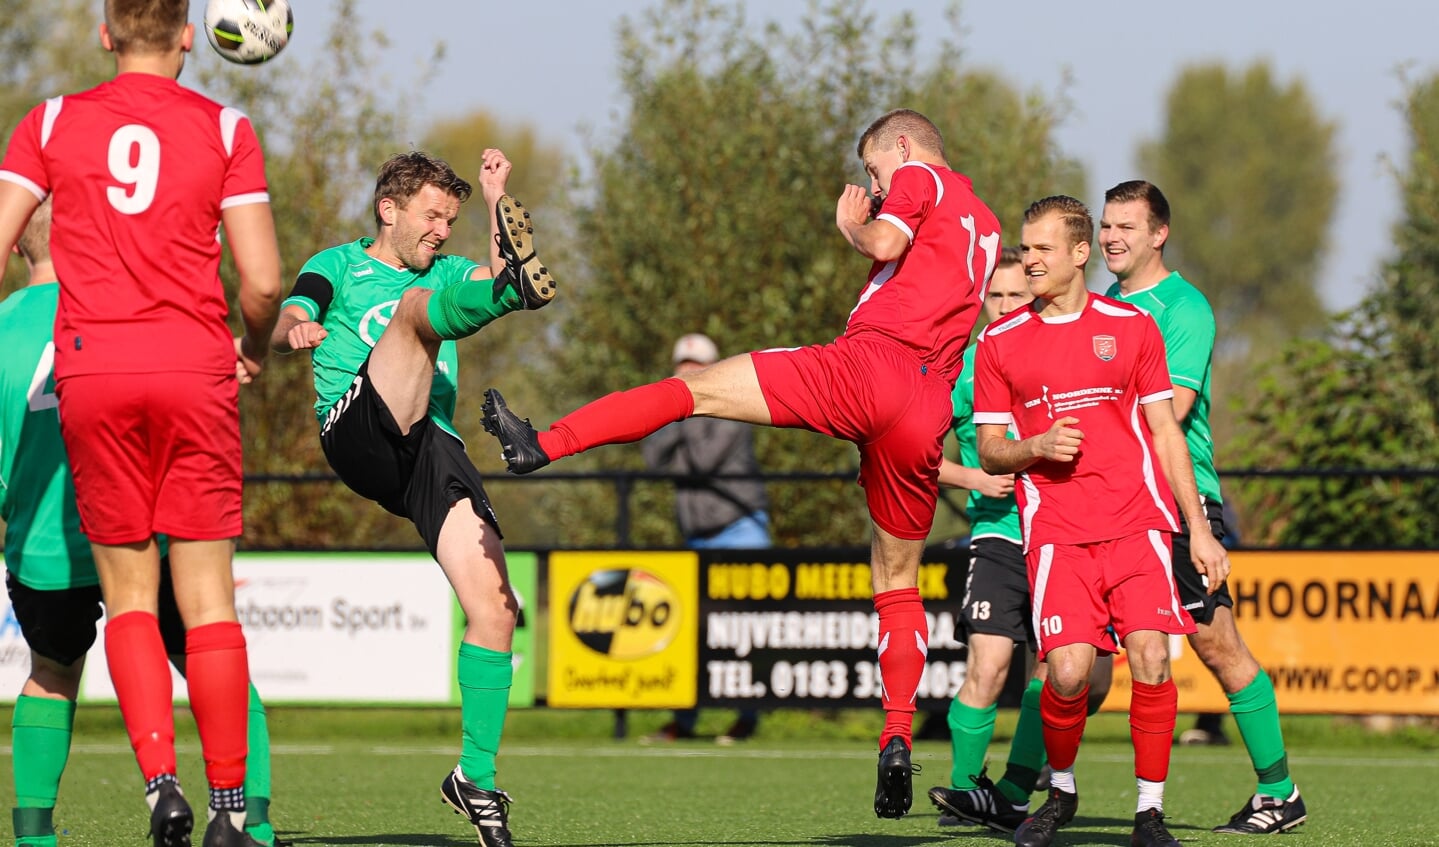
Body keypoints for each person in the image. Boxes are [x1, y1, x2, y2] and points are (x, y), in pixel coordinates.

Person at [481, 108, 1002, 819]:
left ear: (902, 148)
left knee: (693, 389)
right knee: (897, 582)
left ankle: (543, 444)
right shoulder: (988, 222)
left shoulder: (914, 174)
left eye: (873, 171)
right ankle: (896, 735)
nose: (875, 186)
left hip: (871, 365)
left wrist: (852, 221)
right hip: (925, 406)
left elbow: (880, 236)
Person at [0, 3, 283, 845]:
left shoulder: (49, 121)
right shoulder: (227, 127)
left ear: (105, 32)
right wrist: (255, 346)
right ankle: (232, 807)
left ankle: (161, 784)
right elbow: (263, 282)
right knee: (206, 603)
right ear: (191, 36)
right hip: (194, 367)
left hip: (94, 369)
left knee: (127, 595)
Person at [271, 148, 554, 847]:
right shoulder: (337, 264)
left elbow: (489, 269)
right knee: (412, 313)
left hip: (431, 444)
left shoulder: (448, 272)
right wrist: (294, 329)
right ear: (387, 209)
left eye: (450, 220)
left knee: (496, 605)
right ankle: (512, 296)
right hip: (357, 424)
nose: (439, 230)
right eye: (431, 215)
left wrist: (494, 199)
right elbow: (286, 317)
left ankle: (474, 778)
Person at [972, 195, 1230, 847]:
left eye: (1040, 248)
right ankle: (1059, 789)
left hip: (1137, 525)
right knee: (1065, 674)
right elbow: (989, 448)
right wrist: (1033, 448)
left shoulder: (1132, 326)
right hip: (1057, 532)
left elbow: (1165, 430)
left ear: (1078, 254)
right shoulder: (999, 342)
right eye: (1024, 248)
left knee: (1150, 658)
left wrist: (1196, 527)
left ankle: (1149, 811)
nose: (1028, 259)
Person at [1100, 179, 1306, 833]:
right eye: (1105, 225)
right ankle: (1019, 791)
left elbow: (1170, 416)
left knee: (1216, 644)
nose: (1110, 237)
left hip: (1181, 503)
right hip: (1115, 501)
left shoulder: (1183, 308)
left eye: (1125, 226)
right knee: (1073, 649)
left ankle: (1279, 792)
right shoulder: (1104, 303)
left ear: (1158, 233)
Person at [926, 248, 1112, 833]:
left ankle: (1009, 791)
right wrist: (975, 476)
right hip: (998, 534)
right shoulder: (962, 368)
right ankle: (962, 793)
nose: (1004, 305)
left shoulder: (1047, 348)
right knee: (988, 662)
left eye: (1014, 295)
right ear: (982, 299)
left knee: (1063, 672)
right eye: (995, 295)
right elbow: (916, 455)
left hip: (1061, 530)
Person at [641, 332, 770, 745]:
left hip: (741, 529)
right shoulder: (678, 412)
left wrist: (680, 411)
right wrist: (676, 411)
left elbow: (704, 460)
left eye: (697, 367)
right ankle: (685, 720)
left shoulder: (733, 408)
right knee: (690, 633)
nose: (688, 373)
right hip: (697, 536)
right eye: (683, 366)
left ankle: (746, 719)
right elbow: (650, 457)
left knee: (744, 630)